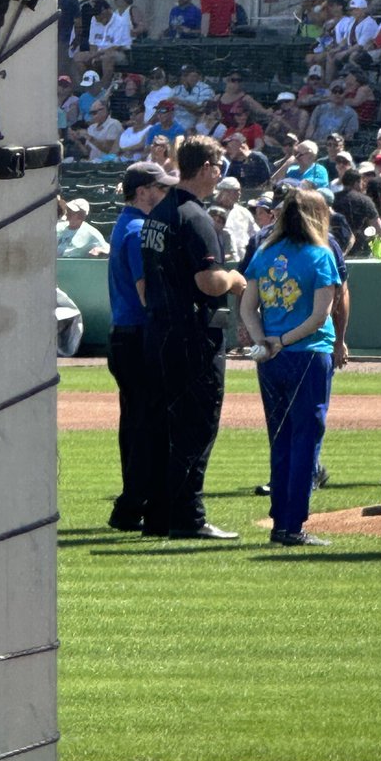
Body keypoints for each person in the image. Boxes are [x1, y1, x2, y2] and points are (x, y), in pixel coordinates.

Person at [140, 135, 247, 539]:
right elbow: (209, 281)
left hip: (159, 331)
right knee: (197, 425)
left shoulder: (159, 212)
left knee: (162, 428)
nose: (219, 175)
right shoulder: (194, 216)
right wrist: (234, 278)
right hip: (191, 336)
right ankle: (188, 516)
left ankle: (159, 516)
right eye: (218, 167)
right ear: (205, 168)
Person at [240, 188, 340, 547]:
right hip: (308, 354)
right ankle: (293, 524)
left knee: (280, 438)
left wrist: (264, 341)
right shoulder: (321, 255)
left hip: (271, 359)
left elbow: (247, 307)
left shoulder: (264, 252)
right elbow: (320, 316)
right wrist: (283, 340)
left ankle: (280, 520)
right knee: (305, 439)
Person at [106, 161, 178, 531]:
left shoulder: (127, 224)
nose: (165, 193)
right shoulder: (137, 230)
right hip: (137, 335)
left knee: (135, 423)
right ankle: (133, 503)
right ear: (141, 191)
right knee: (146, 425)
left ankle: (133, 503)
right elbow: (146, 292)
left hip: (125, 334)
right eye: (160, 187)